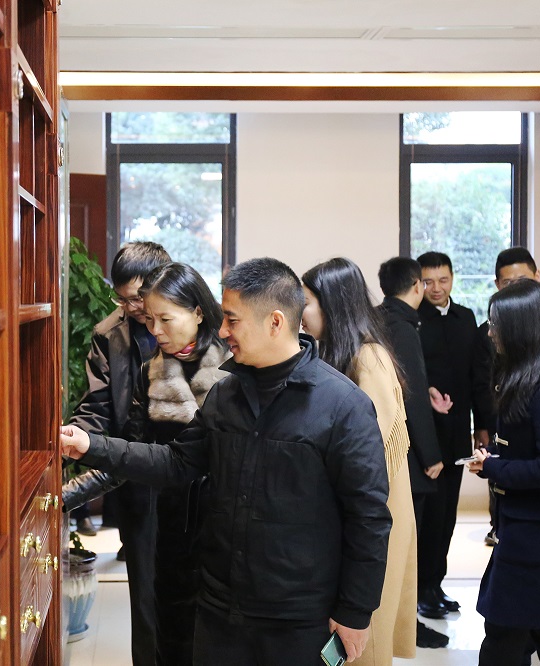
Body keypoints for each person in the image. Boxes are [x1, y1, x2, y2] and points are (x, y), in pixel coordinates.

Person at [61, 257, 392, 665]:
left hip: (297, 618)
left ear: (275, 322)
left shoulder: (343, 406)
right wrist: (90, 445)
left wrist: (355, 611)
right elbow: (176, 462)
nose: (221, 331)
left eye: (232, 320)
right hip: (220, 611)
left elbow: (368, 517)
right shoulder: (226, 395)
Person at [64, 262, 230, 665]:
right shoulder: (150, 372)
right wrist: (66, 495)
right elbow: (134, 454)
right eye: (150, 320)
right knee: (167, 635)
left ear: (198, 312)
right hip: (172, 527)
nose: (154, 331)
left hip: (228, 531)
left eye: (164, 320)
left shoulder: (234, 368)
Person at [301, 257, 417, 665]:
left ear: (332, 304)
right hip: (358, 513)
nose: (300, 311)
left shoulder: (368, 359)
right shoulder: (340, 354)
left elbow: (373, 456)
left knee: (363, 638)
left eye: (307, 301)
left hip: (374, 517)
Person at [467, 279, 540, 666]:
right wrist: (493, 460)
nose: (491, 333)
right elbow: (528, 450)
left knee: (511, 636)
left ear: (521, 329)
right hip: (527, 530)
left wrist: (495, 467)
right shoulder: (527, 380)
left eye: (496, 324)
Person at [64, 241, 171, 666]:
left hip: (193, 482)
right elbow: (97, 406)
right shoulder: (109, 333)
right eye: (122, 299)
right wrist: (74, 439)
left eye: (137, 298)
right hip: (136, 478)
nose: (130, 308)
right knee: (145, 599)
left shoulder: (196, 324)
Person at [376, 256, 448, 649]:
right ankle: (406, 625)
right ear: (417, 285)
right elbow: (411, 394)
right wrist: (431, 455)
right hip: (404, 453)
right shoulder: (403, 326)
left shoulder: (380, 318)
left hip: (385, 448)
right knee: (405, 545)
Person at [415, 251, 484, 618]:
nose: (436, 288)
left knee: (447, 516)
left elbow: (478, 377)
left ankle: (435, 583)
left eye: (443, 280)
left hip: (457, 433)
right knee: (428, 515)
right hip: (424, 437)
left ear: (453, 279)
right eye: (428, 281)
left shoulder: (466, 318)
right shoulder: (413, 321)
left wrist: (482, 425)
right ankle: (420, 587)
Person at [472, 247, 540, 547]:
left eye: (522, 281)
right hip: (502, 432)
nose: (492, 334)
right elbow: (482, 384)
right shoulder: (487, 335)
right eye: (507, 283)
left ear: (537, 277)